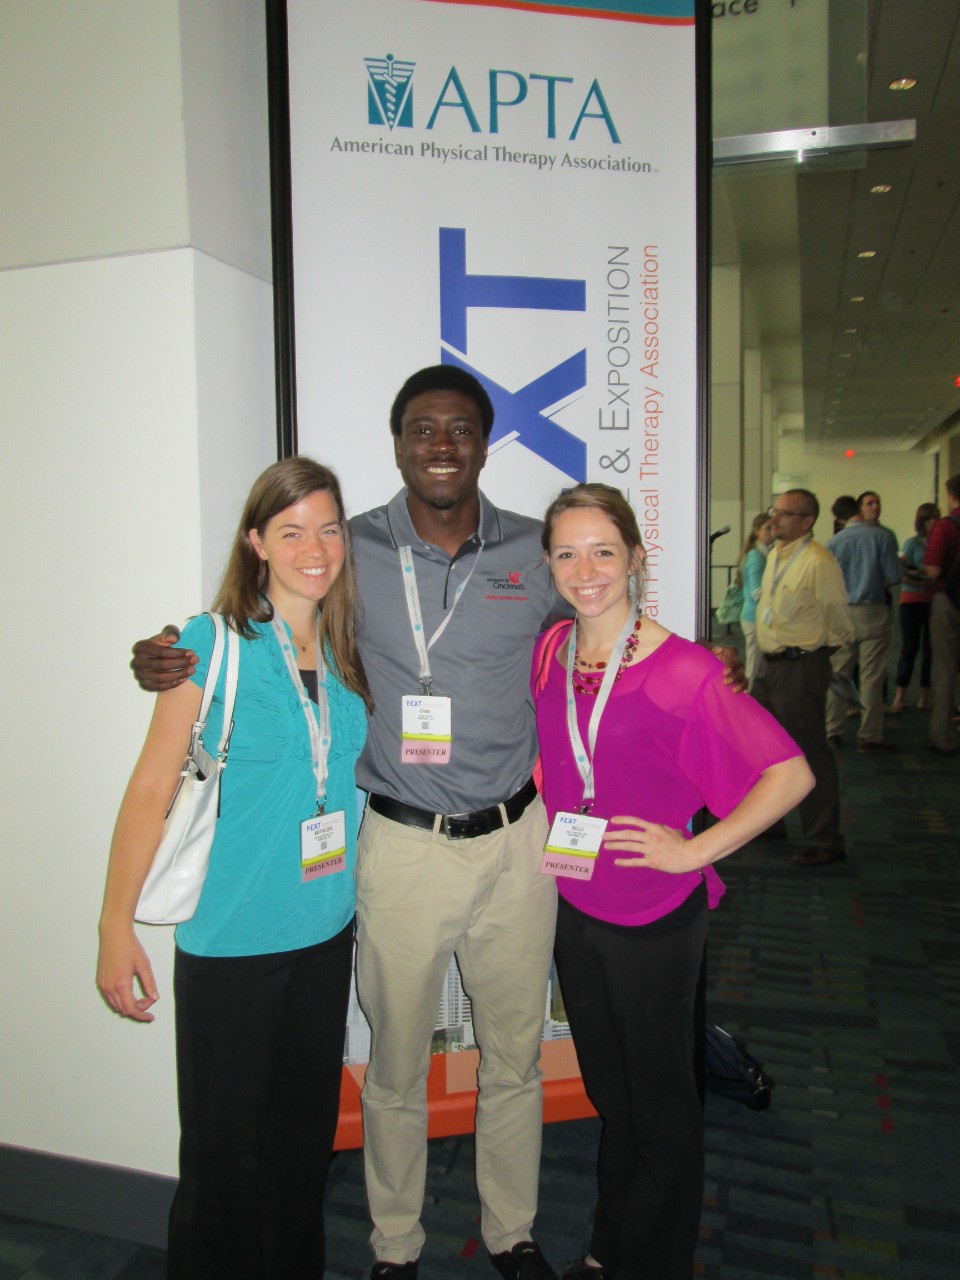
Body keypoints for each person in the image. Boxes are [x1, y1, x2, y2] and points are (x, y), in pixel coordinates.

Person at [128, 366, 746, 1280]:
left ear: (487, 444)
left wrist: (704, 665)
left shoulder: (536, 553)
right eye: (423, 429)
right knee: (395, 1069)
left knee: (513, 1058)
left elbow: (604, 616)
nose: (443, 445)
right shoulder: (350, 549)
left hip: (516, 849)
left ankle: (510, 1230)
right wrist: (164, 656)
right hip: (399, 847)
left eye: (460, 429)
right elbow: (268, 617)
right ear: (399, 443)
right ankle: (396, 1244)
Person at [96, 458, 371, 1280]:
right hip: (231, 946)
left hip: (325, 936)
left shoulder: (352, 651)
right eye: (290, 531)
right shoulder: (208, 644)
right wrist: (116, 927)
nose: (313, 548)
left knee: (300, 1147)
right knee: (221, 1160)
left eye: (327, 528)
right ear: (256, 543)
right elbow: (151, 786)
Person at [531, 483, 812, 1280]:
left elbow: (788, 777)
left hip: (654, 913)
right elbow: (556, 755)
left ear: (635, 560)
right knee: (612, 1090)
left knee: (660, 1103)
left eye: (603, 551)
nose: (585, 570)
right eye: (567, 552)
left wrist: (697, 851)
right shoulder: (552, 650)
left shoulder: (684, 668)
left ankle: (653, 1261)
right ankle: (611, 1242)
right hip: (575, 898)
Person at [753, 489, 854, 867]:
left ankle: (826, 838)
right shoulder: (777, 555)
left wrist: (826, 662)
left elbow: (839, 621)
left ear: (806, 521)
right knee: (763, 749)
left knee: (808, 753)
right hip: (769, 664)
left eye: (784, 514)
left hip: (801, 666)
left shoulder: (818, 561)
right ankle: (769, 820)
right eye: (773, 511)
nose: (774, 519)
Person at [825, 491, 902, 749]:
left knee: (838, 673)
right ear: (860, 508)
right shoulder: (882, 537)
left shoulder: (834, 542)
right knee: (872, 675)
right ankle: (869, 735)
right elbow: (894, 575)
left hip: (843, 611)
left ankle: (832, 729)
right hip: (873, 610)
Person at [922, 473, 960, 754]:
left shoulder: (945, 527)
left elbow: (933, 571)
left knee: (945, 669)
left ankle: (941, 735)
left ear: (951, 496)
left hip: (949, 601)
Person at [889, 502, 940, 713]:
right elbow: (904, 571)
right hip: (911, 599)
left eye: (935, 517)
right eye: (929, 518)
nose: (933, 522)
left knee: (931, 650)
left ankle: (923, 696)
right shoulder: (912, 543)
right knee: (909, 648)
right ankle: (900, 694)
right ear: (921, 521)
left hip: (932, 600)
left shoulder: (939, 543)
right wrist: (925, 578)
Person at [737, 512, 776, 685]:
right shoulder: (756, 556)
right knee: (754, 666)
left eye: (773, 527)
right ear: (757, 532)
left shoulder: (764, 553)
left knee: (760, 666)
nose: (772, 532)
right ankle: (747, 701)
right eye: (768, 528)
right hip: (754, 617)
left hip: (758, 616)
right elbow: (756, 592)